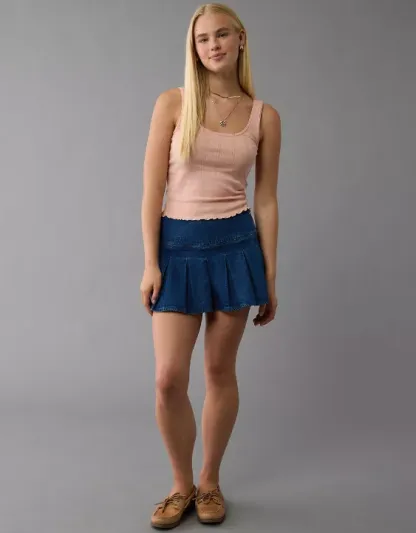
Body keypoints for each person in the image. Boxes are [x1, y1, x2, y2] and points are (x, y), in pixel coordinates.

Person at [140, 3, 281, 529]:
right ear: (193, 48)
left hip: (235, 250)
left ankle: (209, 482)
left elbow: (265, 199)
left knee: (219, 372)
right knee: (168, 379)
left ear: (240, 39)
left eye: (222, 35)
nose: (213, 45)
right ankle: (180, 486)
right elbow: (152, 189)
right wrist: (150, 263)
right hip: (177, 249)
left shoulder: (265, 116)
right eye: (202, 39)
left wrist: (269, 274)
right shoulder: (174, 103)